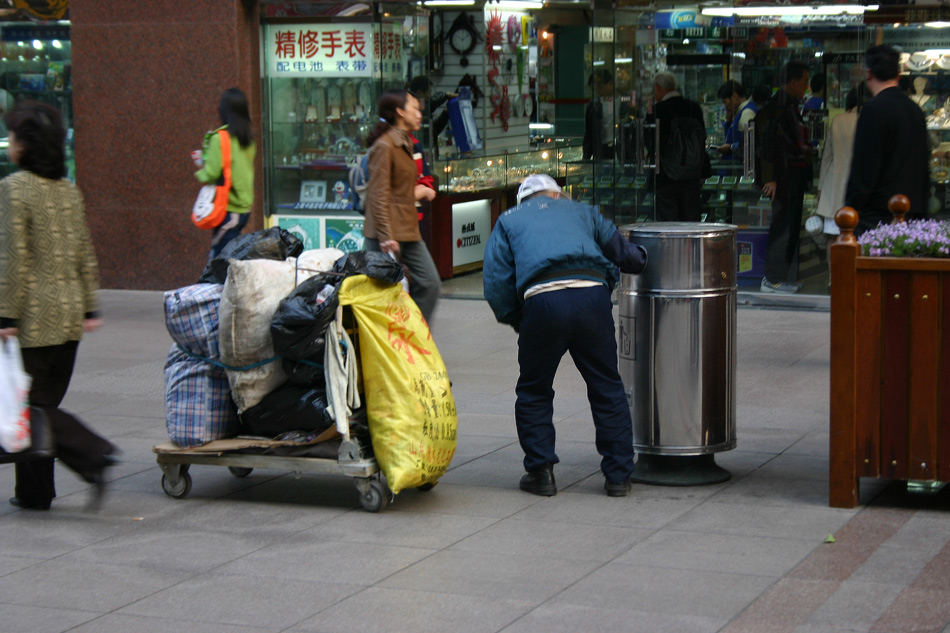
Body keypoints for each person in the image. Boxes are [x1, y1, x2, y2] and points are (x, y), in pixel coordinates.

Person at [482, 174, 648, 498]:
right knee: (606, 386)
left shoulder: (508, 219)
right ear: (558, 195)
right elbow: (625, 256)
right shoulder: (583, 211)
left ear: (524, 201)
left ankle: (541, 472)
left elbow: (496, 282)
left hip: (541, 300)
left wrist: (519, 320)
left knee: (534, 389)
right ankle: (618, 476)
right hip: (591, 297)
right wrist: (640, 258)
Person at [0, 101, 116, 511]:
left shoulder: (14, 188)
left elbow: (13, 257)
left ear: (26, 145)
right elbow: (84, 252)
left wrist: (5, 314)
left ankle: (93, 454)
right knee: (39, 403)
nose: (9, 143)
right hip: (67, 319)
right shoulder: (68, 191)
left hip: (32, 319)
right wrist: (89, 307)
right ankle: (34, 493)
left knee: (29, 406)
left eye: (12, 136)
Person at [363, 90, 440, 322]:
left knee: (430, 284)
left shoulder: (406, 142)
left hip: (408, 229)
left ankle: (414, 336)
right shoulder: (385, 146)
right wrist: (386, 237)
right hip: (385, 235)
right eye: (414, 108)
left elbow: (401, 190)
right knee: (384, 296)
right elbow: (378, 196)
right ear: (399, 112)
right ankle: (395, 344)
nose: (420, 114)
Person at [845, 45, 931, 236]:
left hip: (877, 217)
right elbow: (924, 165)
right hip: (913, 215)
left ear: (868, 73)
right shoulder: (916, 111)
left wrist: (851, 208)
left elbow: (865, 167)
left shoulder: (872, 110)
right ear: (898, 74)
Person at [757, 61, 812, 294]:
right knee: (782, 226)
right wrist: (769, 178)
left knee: (789, 226)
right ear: (793, 82)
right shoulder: (777, 107)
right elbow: (766, 145)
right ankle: (773, 279)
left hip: (792, 176)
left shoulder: (789, 105)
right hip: (783, 178)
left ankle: (781, 278)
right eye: (805, 82)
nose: (807, 87)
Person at [194, 87, 256, 260]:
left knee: (220, 264)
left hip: (228, 210)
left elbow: (212, 173)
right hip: (244, 209)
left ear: (223, 110)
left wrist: (200, 171)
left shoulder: (219, 138)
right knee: (231, 258)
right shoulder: (247, 138)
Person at [650, 71, 708, 222]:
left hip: (665, 176)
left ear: (659, 88)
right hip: (691, 177)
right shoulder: (693, 107)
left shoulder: (658, 110)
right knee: (690, 221)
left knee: (668, 224)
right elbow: (702, 139)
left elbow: (651, 142)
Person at [816, 85, 867, 254]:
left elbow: (827, 157)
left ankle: (833, 278)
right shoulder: (870, 120)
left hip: (835, 187)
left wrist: (820, 188)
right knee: (860, 235)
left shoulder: (838, 120)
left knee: (833, 235)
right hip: (862, 186)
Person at [715, 80, 758, 160]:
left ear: (734, 96)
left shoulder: (746, 113)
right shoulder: (739, 113)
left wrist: (731, 147)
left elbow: (752, 143)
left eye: (725, 102)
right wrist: (728, 121)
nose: (726, 106)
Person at [583, 68, 615, 160]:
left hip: (618, 148)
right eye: (594, 86)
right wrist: (586, 157)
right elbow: (589, 133)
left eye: (600, 86)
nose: (597, 90)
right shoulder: (593, 105)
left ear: (610, 84)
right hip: (601, 150)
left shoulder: (621, 101)